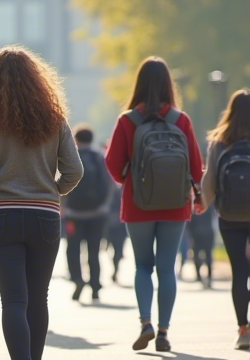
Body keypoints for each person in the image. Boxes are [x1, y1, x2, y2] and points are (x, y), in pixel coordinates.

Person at [0, 46, 84, 360]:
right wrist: (52, 190)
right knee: (38, 299)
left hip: (2, 216)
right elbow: (74, 170)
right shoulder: (55, 121)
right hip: (44, 216)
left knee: (13, 301)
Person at [105, 56, 203, 353]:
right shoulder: (180, 119)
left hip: (139, 204)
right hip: (175, 204)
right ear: (168, 85)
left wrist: (131, 180)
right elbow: (197, 167)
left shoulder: (127, 120)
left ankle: (145, 322)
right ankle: (163, 332)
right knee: (166, 268)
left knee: (143, 266)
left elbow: (113, 163)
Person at [200, 89, 250, 349]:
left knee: (240, 271)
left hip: (229, 214)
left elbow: (210, 180)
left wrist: (203, 204)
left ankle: (242, 331)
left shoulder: (219, 140)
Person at [63, 124, 112, 302]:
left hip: (73, 215)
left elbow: (62, 182)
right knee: (94, 251)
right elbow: (109, 183)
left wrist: (63, 207)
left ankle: (77, 279)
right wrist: (105, 205)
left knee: (73, 250)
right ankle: (95, 286)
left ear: (75, 139)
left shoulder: (70, 157)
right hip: (97, 214)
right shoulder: (99, 157)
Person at [188, 206, 214, 288]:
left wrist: (190, 235)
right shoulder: (209, 205)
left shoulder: (193, 206)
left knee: (196, 254)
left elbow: (189, 222)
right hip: (208, 232)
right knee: (208, 255)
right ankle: (209, 276)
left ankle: (199, 276)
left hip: (197, 233)